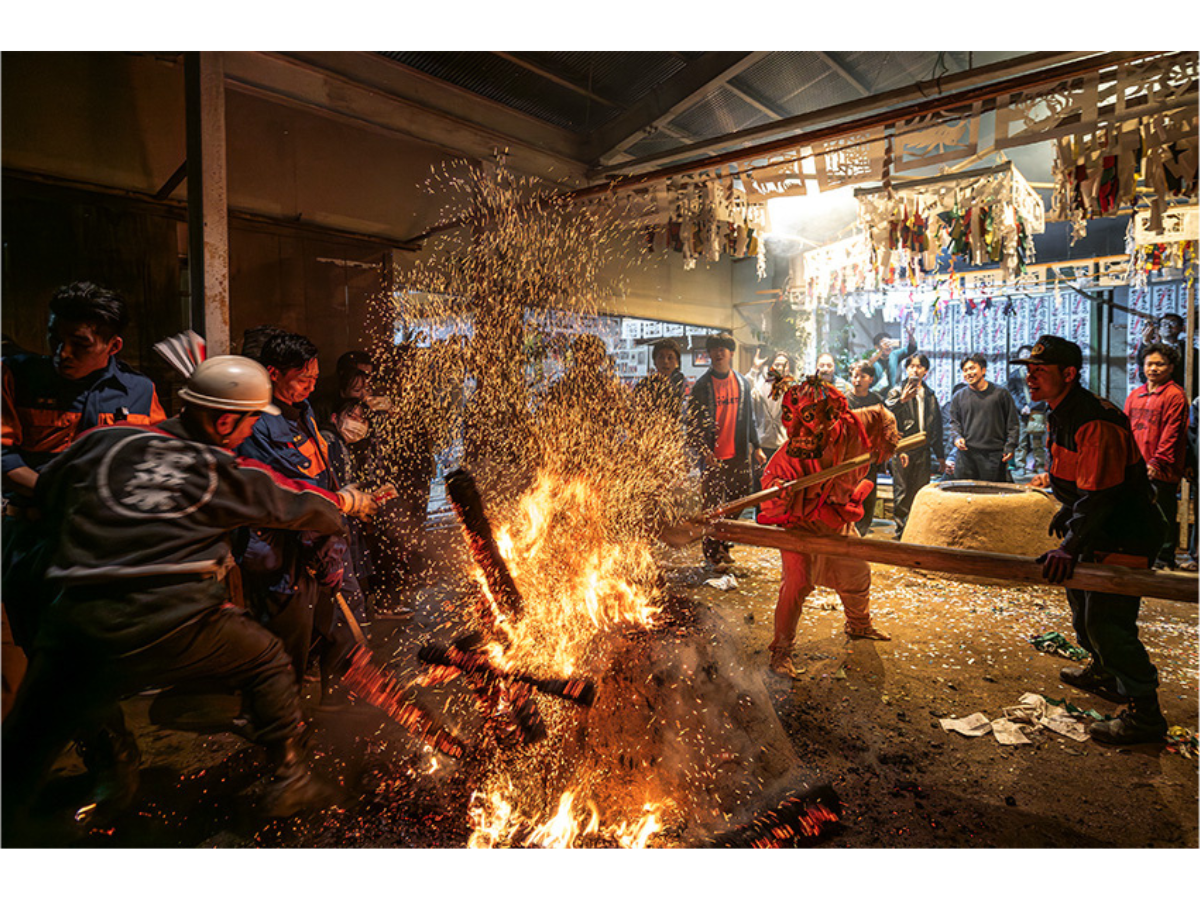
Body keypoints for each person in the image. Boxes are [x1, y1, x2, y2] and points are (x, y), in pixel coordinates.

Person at [1, 355, 379, 832]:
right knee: (267, 658)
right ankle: (290, 778)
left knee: (25, 747)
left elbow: (51, 489)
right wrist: (347, 502)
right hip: (174, 622)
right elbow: (292, 501)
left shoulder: (100, 443)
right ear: (224, 420)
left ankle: (95, 783)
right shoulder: (216, 467)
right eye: (246, 424)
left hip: (74, 623)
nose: (248, 434)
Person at [2, 282, 166, 722]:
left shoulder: (137, 390)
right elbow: (3, 457)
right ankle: (100, 750)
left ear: (112, 345)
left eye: (79, 344)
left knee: (98, 651)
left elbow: (153, 460)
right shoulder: (16, 376)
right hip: (35, 542)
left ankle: (108, 747)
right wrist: (54, 495)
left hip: (106, 546)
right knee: (44, 651)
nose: (62, 353)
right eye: (55, 338)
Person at [1015, 336, 1169, 744]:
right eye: (1028, 370)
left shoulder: (1093, 419)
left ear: (1069, 374)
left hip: (1125, 533)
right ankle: (1105, 673)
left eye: (1040, 371)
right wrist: (1068, 510)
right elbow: (1082, 479)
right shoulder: (1058, 412)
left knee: (1108, 623)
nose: (1030, 377)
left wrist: (1069, 544)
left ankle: (1145, 714)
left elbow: (1103, 492)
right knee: (1082, 611)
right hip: (1095, 526)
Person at [758, 374, 901, 678]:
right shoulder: (788, 456)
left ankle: (858, 624)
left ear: (832, 416)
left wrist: (888, 434)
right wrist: (780, 492)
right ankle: (781, 652)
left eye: (807, 419)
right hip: (800, 526)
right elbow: (768, 493)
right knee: (797, 582)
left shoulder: (854, 424)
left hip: (835, 522)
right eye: (790, 419)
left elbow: (881, 414)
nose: (795, 430)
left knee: (856, 571)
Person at [236, 332, 347, 686]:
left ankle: (310, 695)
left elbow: (318, 474)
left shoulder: (302, 409)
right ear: (273, 373)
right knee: (283, 638)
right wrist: (323, 536)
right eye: (302, 379)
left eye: (314, 379)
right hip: (278, 547)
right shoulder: (257, 421)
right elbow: (289, 492)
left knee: (314, 628)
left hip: (314, 540)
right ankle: (275, 718)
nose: (310, 388)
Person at [687, 332, 761, 567]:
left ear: (731, 353)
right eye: (714, 349)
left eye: (723, 349)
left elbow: (749, 419)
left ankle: (723, 543)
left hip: (738, 455)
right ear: (709, 354)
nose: (719, 353)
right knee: (711, 506)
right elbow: (694, 424)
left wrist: (756, 446)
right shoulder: (701, 386)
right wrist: (703, 451)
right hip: (712, 459)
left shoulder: (741, 382)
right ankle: (711, 552)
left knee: (738, 501)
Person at [1124, 342, 1190, 569]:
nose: (1153, 369)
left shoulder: (1175, 395)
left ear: (1171, 367)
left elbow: (1172, 434)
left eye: (1160, 364)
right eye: (1149, 363)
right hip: (1136, 465)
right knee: (1136, 513)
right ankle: (1142, 555)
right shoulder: (1135, 395)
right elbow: (1124, 431)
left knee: (1162, 513)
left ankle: (1165, 557)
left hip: (1162, 469)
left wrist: (1156, 462)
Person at [884, 353, 946, 538]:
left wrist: (941, 456)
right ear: (906, 369)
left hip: (923, 451)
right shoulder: (896, 391)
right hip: (902, 449)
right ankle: (901, 534)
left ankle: (917, 531)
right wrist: (902, 400)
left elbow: (936, 427)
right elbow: (885, 415)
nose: (915, 369)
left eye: (919, 366)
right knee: (902, 493)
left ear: (925, 371)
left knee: (920, 492)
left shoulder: (930, 395)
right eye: (911, 366)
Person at [948, 353, 1020, 483]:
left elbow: (1013, 423)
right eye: (965, 370)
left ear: (983, 370)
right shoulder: (958, 397)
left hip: (993, 456)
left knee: (991, 497)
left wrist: (1010, 446)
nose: (968, 373)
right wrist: (957, 437)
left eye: (972, 368)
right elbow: (954, 422)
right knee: (965, 496)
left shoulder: (1000, 394)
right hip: (966, 456)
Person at [746, 347, 792, 496]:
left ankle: (779, 518)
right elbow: (746, 390)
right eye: (777, 364)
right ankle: (760, 517)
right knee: (761, 486)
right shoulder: (761, 386)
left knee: (781, 486)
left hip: (783, 446)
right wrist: (754, 369)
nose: (780, 367)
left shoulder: (793, 389)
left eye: (784, 364)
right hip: (762, 445)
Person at [846, 361, 885, 536]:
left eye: (862, 376)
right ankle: (849, 528)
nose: (857, 380)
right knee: (849, 492)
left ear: (871, 379)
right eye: (855, 376)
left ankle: (863, 529)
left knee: (868, 492)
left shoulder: (876, 400)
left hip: (870, 456)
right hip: (849, 457)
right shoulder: (844, 400)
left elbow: (882, 425)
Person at [1006, 346, 1048, 475]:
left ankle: (1040, 465)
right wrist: (1021, 407)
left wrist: (1030, 406)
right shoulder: (1014, 375)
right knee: (1021, 440)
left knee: (1037, 440)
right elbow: (1012, 393)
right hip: (1021, 412)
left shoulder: (1041, 373)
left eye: (1028, 354)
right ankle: (1020, 466)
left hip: (1037, 412)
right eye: (1022, 354)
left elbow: (1045, 391)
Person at [633, 337, 688, 422]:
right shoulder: (644, 385)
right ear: (655, 361)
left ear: (677, 362)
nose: (665, 361)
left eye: (670, 358)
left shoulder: (681, 386)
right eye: (661, 357)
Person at [866, 324, 917, 394]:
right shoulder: (874, 357)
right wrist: (881, 350)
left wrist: (911, 336)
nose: (888, 346)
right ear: (876, 347)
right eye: (885, 344)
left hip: (891, 395)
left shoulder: (894, 355)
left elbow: (911, 349)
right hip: (874, 395)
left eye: (890, 343)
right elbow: (867, 365)